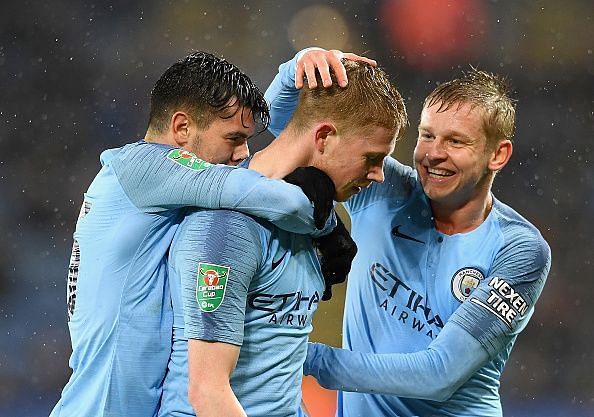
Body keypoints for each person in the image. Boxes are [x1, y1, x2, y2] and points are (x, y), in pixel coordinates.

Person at [267, 48, 552, 417]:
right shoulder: (384, 189)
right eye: (427, 136)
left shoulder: (519, 250)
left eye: (455, 141)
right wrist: (297, 67)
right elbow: (287, 131)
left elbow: (439, 374)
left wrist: (299, 354)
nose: (433, 154)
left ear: (497, 155)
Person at [50, 51, 336, 417]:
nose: (242, 153)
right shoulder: (144, 165)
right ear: (182, 128)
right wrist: (327, 224)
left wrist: (293, 70)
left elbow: (254, 169)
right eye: (233, 138)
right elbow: (268, 194)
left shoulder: (168, 183)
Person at [158, 55, 408, 417]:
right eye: (372, 158)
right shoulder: (227, 228)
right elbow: (207, 393)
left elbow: (276, 374)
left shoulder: (308, 219)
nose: (379, 175)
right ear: (323, 137)